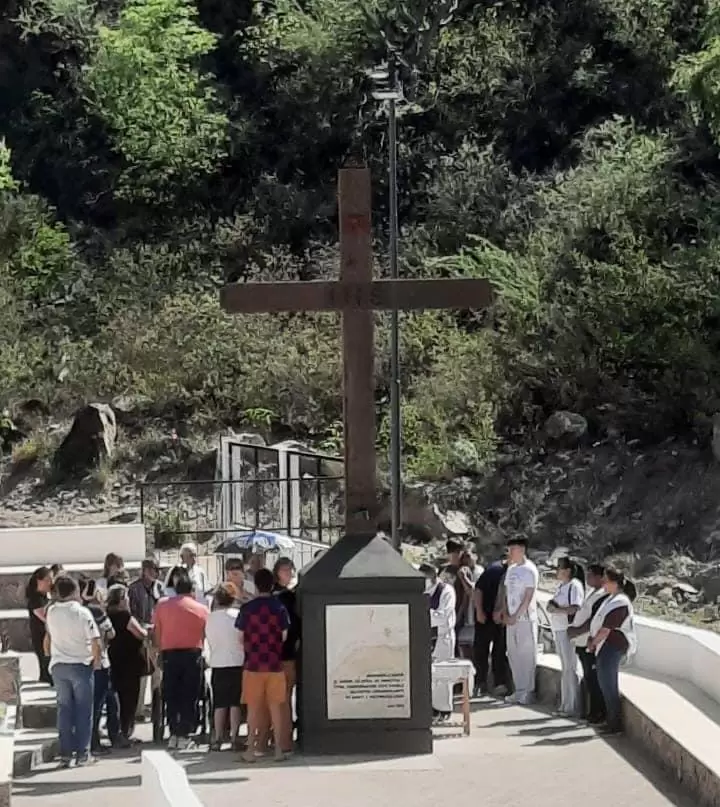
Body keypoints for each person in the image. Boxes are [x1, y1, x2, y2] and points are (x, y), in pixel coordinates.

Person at [44, 576, 102, 768]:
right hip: (80, 664)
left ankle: (66, 754)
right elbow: (95, 640)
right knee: (84, 711)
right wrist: (97, 662)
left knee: (64, 711)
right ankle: (83, 753)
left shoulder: (50, 611)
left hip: (59, 665)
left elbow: (48, 638)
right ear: (75, 591)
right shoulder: (82, 612)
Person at [236, 568, 289, 763]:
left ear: (256, 585)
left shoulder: (247, 609)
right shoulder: (279, 608)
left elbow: (240, 638)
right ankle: (278, 750)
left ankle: (250, 750)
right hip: (275, 664)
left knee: (253, 709)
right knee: (276, 708)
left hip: (253, 665)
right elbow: (284, 636)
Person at [154, 572, 210, 750]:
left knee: (171, 694)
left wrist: (158, 651)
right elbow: (206, 634)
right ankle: (185, 732)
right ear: (192, 590)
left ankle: (173, 732)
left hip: (169, 654)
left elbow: (157, 632)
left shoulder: (162, 606)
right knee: (189, 695)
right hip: (192, 654)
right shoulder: (201, 609)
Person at [588, 567, 638, 734]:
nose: (603, 583)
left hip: (612, 647)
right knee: (604, 683)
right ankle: (610, 720)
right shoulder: (612, 599)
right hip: (605, 647)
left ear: (614, 583)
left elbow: (607, 628)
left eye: (606, 580)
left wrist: (594, 642)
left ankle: (614, 723)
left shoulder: (620, 602)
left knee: (609, 685)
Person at [79, 579, 119, 754]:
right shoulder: (95, 611)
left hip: (81, 661)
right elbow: (111, 633)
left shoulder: (76, 611)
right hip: (100, 662)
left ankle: (89, 741)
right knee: (99, 704)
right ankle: (96, 741)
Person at [106, 584, 148, 745]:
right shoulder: (125, 616)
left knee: (118, 697)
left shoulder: (107, 615)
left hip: (115, 659)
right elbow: (140, 634)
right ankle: (125, 731)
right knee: (130, 699)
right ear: (122, 599)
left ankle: (120, 731)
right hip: (130, 661)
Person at [205, 582, 244, 751]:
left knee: (219, 703)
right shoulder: (238, 615)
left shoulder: (211, 618)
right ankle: (235, 736)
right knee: (235, 703)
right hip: (237, 661)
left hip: (218, 662)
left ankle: (218, 737)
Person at [568, 563, 609, 723]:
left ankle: (598, 713)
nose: (588, 578)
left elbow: (594, 618)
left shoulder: (602, 595)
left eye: (591, 575)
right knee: (588, 677)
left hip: (589, 642)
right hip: (581, 642)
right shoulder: (593, 592)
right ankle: (592, 711)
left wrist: (578, 630)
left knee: (593, 678)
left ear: (599, 577)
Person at [502, 537, 539, 705]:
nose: (510, 553)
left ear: (522, 550)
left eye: (513, 549)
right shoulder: (511, 569)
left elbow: (528, 596)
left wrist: (516, 615)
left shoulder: (530, 570)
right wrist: (505, 612)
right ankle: (518, 689)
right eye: (509, 549)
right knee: (513, 654)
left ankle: (528, 691)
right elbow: (506, 592)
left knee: (526, 654)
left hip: (525, 618)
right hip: (510, 619)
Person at [547, 557, 585, 716]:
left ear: (568, 570)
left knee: (570, 667)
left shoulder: (574, 586)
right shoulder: (562, 586)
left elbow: (575, 608)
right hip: (558, 629)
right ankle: (565, 704)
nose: (557, 571)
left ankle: (572, 706)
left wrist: (557, 610)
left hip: (567, 629)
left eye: (560, 568)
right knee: (565, 668)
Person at [420, 563, 456, 721]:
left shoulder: (446, 591)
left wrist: (423, 614)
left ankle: (444, 709)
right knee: (427, 676)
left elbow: (442, 616)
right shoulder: (421, 591)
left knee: (442, 676)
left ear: (433, 578)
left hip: (442, 638)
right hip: (425, 637)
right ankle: (430, 709)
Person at [271, 557, 300, 754]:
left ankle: (280, 739)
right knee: (282, 699)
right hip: (285, 653)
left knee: (281, 698)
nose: (288, 572)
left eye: (290, 569)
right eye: (284, 569)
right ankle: (283, 740)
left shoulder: (288, 595)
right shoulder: (285, 597)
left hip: (282, 652)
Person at [128, 559, 163, 722]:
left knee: (158, 672)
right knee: (142, 673)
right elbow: (131, 613)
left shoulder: (160, 587)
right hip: (141, 634)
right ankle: (138, 710)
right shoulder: (134, 589)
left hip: (158, 633)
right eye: (154, 569)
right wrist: (142, 627)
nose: (156, 573)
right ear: (146, 570)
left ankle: (157, 707)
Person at [473, 558, 509, 696]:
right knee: (481, 650)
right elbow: (478, 590)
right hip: (486, 615)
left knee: (500, 651)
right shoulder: (493, 570)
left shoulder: (516, 573)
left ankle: (499, 683)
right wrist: (479, 611)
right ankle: (480, 682)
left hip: (502, 617)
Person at [26, 566, 54, 685]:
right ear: (39, 581)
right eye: (48, 580)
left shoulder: (44, 597)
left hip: (47, 636)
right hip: (41, 636)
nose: (51, 583)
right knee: (45, 664)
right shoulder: (35, 599)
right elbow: (45, 617)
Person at [455, 550, 483, 659]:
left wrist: (464, 578)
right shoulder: (462, 570)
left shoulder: (478, 572)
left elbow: (473, 591)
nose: (466, 560)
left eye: (469, 556)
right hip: (464, 619)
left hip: (475, 618)